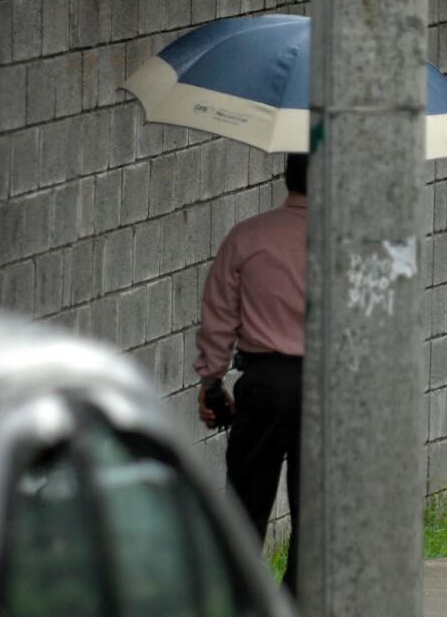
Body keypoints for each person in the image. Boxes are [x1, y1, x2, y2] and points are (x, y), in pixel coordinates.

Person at [194, 153, 307, 596]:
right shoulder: (352, 243)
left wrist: (211, 382)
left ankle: (234, 599)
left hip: (263, 385)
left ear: (286, 175)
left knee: (244, 506)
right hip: (328, 390)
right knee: (316, 514)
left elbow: (218, 318)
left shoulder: (247, 237)